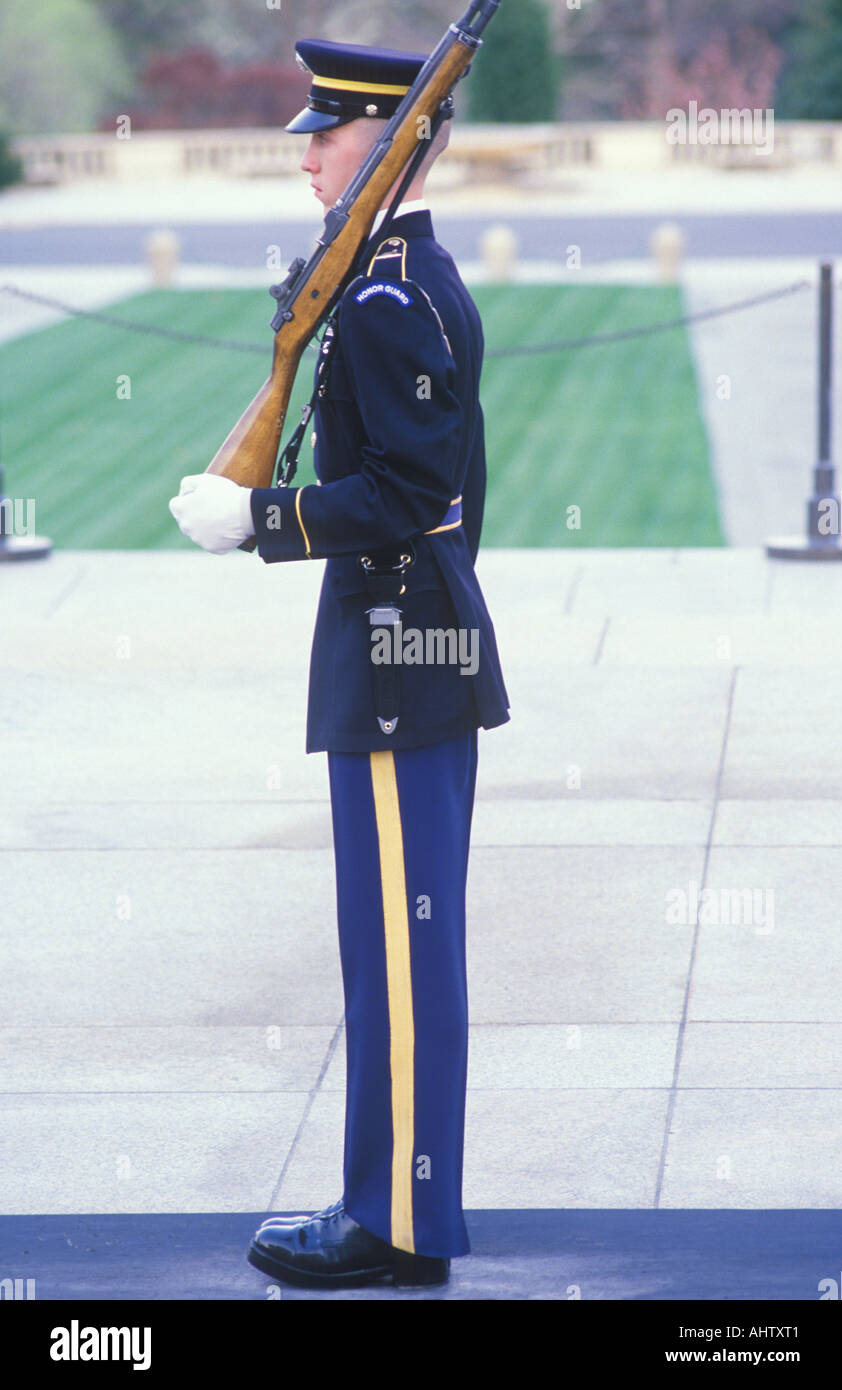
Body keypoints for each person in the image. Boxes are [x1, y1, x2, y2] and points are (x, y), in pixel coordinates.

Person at [169, 38, 510, 1290]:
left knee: (404, 958)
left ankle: (397, 1220)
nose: (306, 149)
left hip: (398, 651)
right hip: (402, 638)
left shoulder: (384, 295)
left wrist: (257, 520)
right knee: (392, 951)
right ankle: (391, 1197)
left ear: (394, 144)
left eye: (331, 132)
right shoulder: (383, 282)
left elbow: (412, 492)